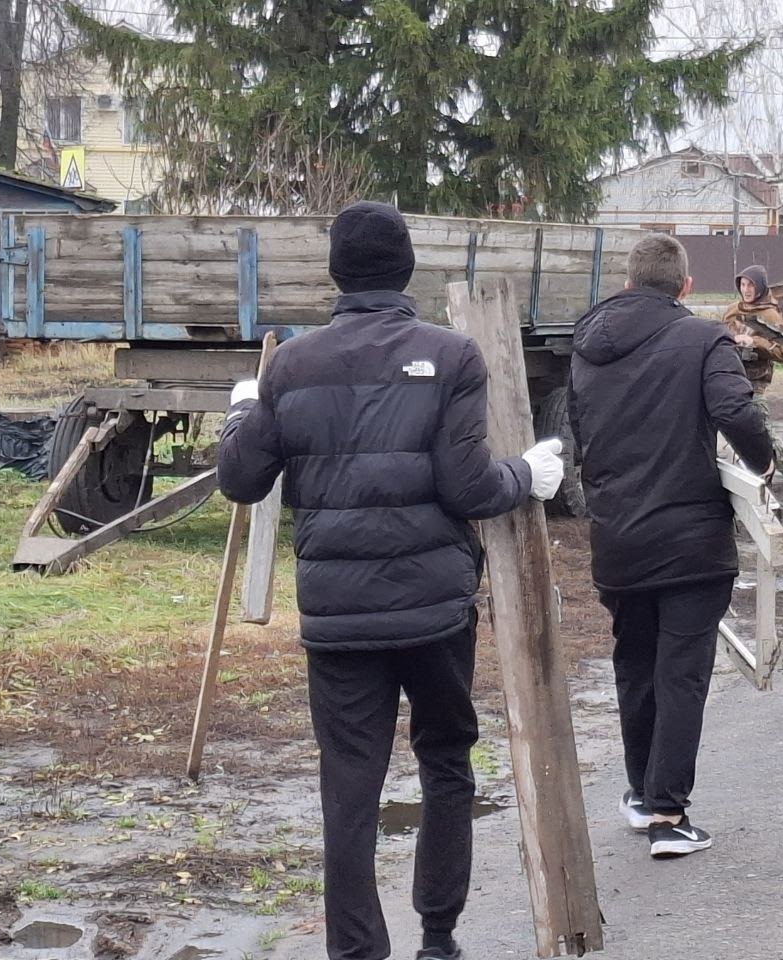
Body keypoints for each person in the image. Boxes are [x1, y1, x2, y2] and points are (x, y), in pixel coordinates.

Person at [216, 200, 565, 960]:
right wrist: (527, 474)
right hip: (434, 612)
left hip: (338, 618)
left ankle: (356, 953)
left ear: (336, 272)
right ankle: (438, 939)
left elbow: (241, 481)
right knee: (445, 760)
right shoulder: (452, 355)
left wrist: (241, 413)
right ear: (407, 267)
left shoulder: (292, 365)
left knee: (349, 787)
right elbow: (469, 488)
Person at [568, 234, 773, 860]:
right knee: (680, 675)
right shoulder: (703, 338)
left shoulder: (586, 344)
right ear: (684, 286)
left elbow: (580, 428)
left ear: (629, 282)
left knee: (635, 667)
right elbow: (737, 412)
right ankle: (667, 815)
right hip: (690, 541)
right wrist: (761, 467)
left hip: (617, 537)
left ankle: (640, 793)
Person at [723, 264, 783, 492]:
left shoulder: (770, 314)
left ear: (760, 287)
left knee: (761, 426)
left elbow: (782, 353)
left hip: (756, 381)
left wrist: (755, 342)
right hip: (730, 377)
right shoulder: (732, 310)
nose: (746, 289)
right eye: (742, 284)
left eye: (751, 284)